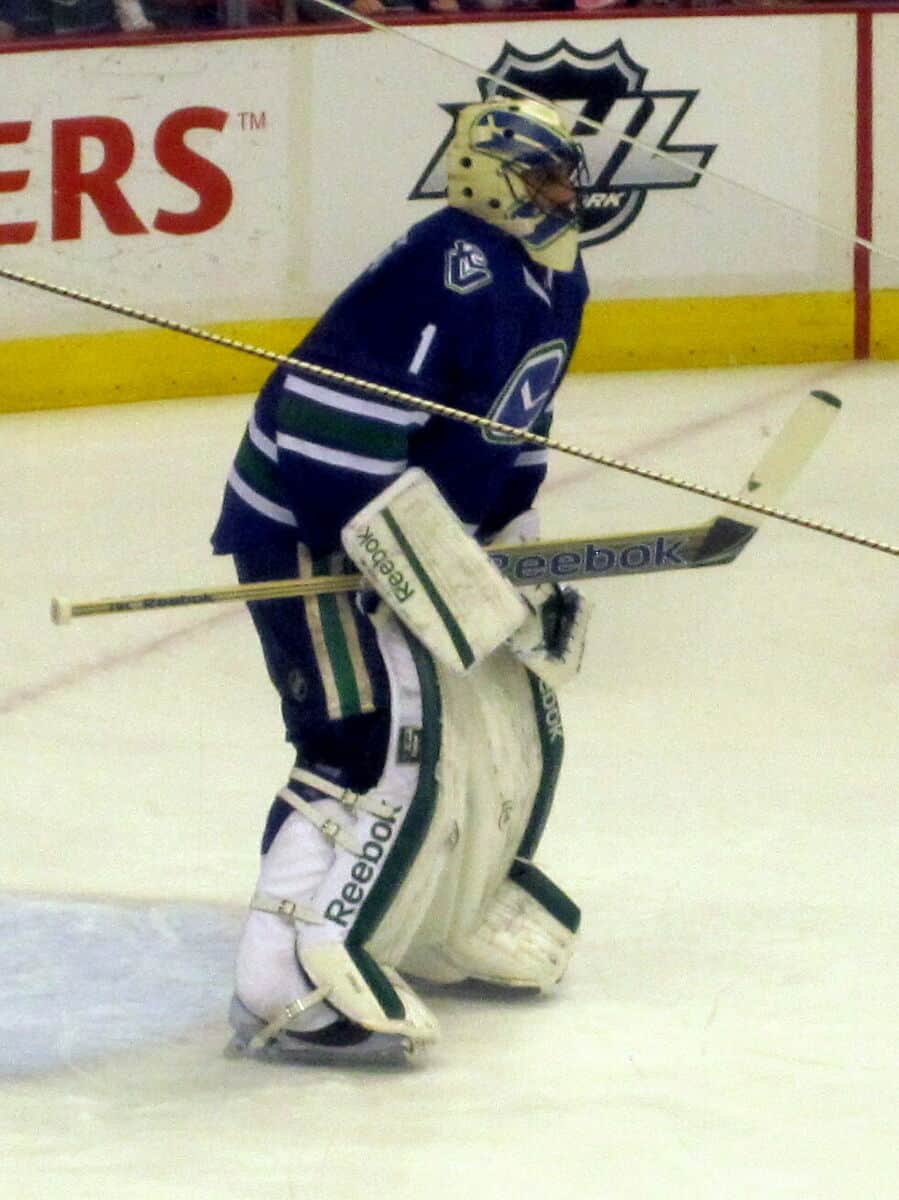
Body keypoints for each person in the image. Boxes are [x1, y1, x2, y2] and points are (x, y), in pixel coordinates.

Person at [211, 97, 592, 1065]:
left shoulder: (558, 278)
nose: (563, 196)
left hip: (405, 531)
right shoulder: (438, 272)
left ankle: (432, 916)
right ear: (491, 177)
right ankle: (275, 974)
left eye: (566, 177)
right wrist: (410, 567)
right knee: (355, 736)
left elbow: (516, 426)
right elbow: (323, 437)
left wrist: (511, 547)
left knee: (476, 723)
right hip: (305, 532)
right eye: (544, 178)